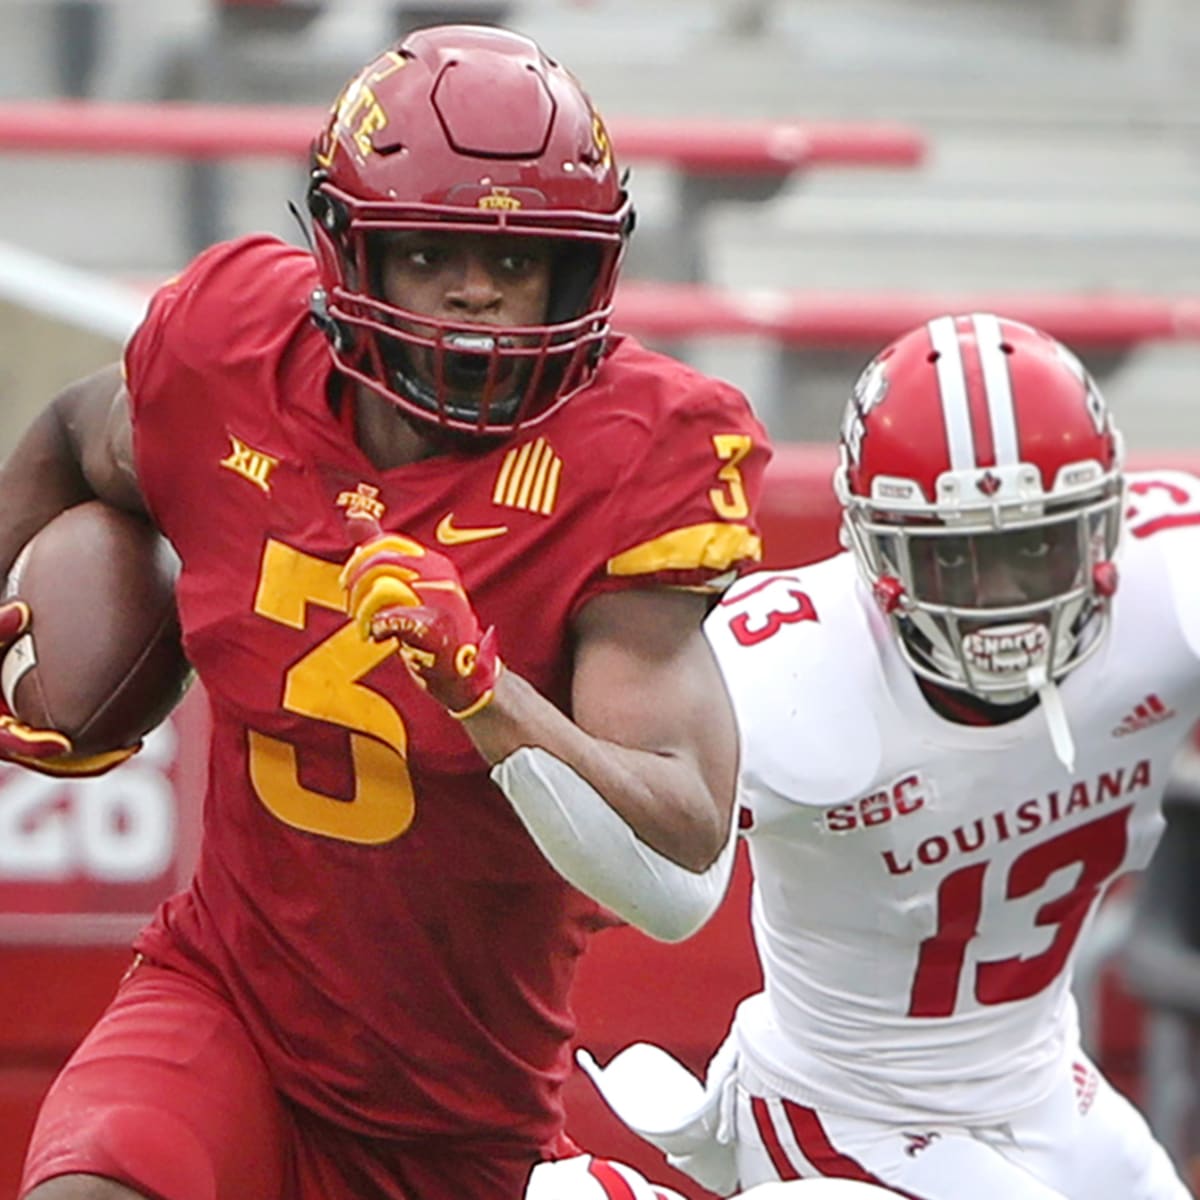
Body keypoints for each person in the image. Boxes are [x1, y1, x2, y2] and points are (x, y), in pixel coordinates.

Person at [6, 23, 770, 1200]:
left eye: (519, 265)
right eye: (429, 253)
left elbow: (682, 829)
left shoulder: (629, 457)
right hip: (227, 1008)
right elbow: (73, 433)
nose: (477, 293)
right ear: (352, 253)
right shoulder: (231, 356)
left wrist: (488, 693)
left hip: (458, 1109)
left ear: (581, 273)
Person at [583, 313, 1196, 1200]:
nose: (1002, 606)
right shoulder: (790, 670)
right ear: (875, 551)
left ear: (1104, 526)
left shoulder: (1170, 589)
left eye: (1033, 547)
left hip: (1042, 1082)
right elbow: (586, 846)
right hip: (842, 1108)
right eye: (957, 563)